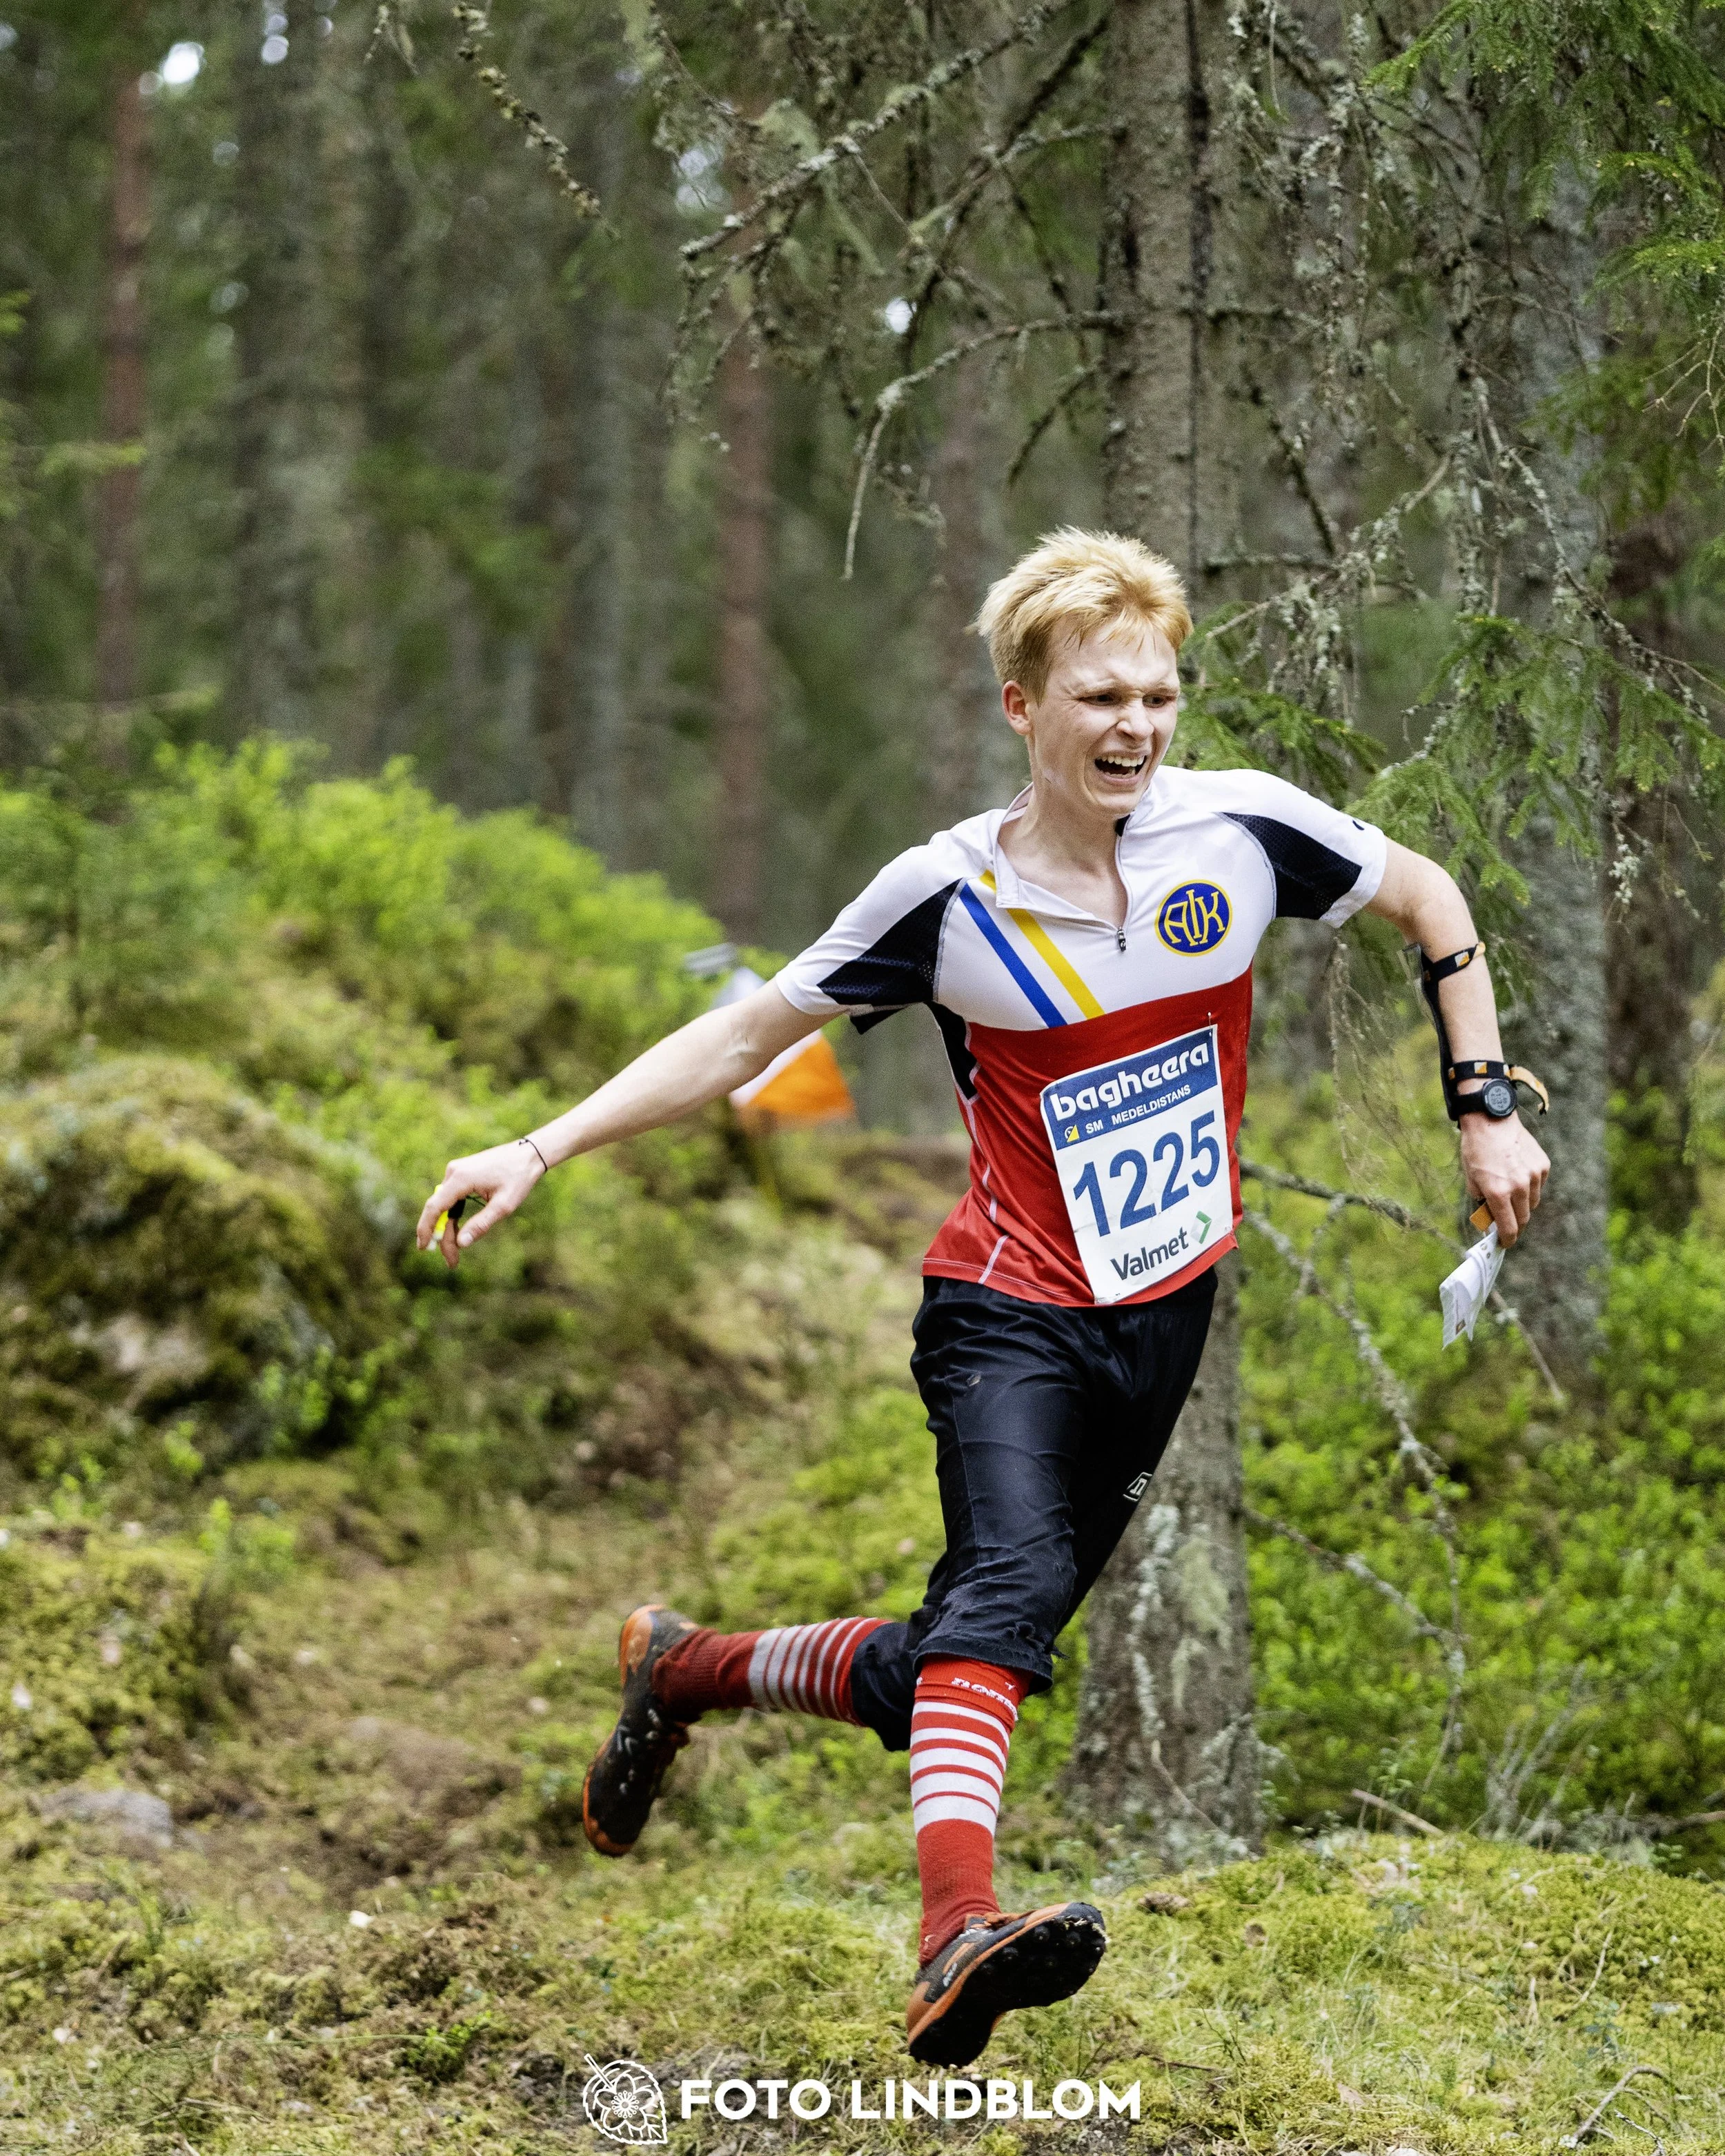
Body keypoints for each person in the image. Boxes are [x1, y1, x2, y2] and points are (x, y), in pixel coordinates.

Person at [415, 528, 1550, 2068]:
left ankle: (679, 1666)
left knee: (963, 1653)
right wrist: (540, 1144)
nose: (1134, 726)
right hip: (1003, 1307)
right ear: (1021, 705)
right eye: (1097, 696)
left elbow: (1428, 898)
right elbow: (745, 1036)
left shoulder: (1238, 834)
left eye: (1156, 693)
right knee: (1001, 1606)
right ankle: (955, 1935)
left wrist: (1478, 1100)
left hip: (1163, 1320)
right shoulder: (942, 897)